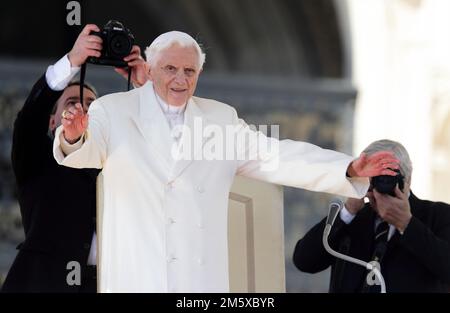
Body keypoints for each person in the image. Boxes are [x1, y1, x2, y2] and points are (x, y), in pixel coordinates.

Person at [53, 31, 400, 293]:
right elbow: (84, 151)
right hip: (135, 278)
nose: (180, 79)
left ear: (199, 74)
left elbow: (276, 155)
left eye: (190, 70)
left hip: (200, 284)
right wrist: (72, 135)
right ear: (152, 68)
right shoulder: (113, 111)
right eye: (171, 68)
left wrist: (348, 169)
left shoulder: (220, 118)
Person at [1, 24, 146, 293]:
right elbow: (30, 119)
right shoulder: (37, 157)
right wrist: (73, 60)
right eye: (72, 104)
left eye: (92, 105)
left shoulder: (120, 163)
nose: (82, 109)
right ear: (52, 120)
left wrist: (145, 87)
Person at [293, 139, 450, 293]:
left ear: (407, 178)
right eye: (375, 176)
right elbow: (304, 261)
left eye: (389, 176)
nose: (381, 183)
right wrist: (348, 212)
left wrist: (407, 224)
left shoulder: (438, 215)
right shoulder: (353, 217)